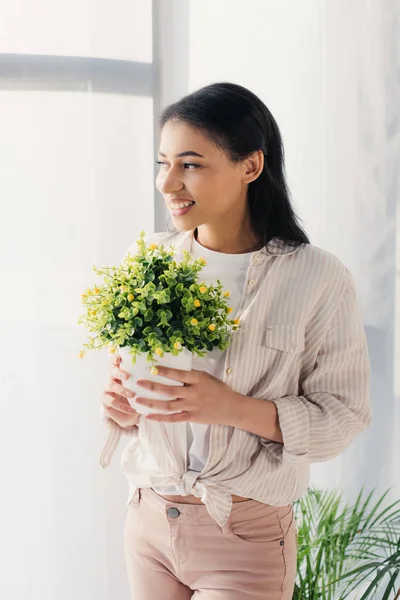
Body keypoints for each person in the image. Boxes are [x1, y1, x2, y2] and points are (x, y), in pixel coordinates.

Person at [100, 82, 372, 600]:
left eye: (191, 164)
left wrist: (231, 408)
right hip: (150, 520)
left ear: (250, 166)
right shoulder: (152, 260)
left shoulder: (317, 276)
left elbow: (343, 416)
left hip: (244, 534)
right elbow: (135, 396)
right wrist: (119, 404)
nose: (168, 183)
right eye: (163, 163)